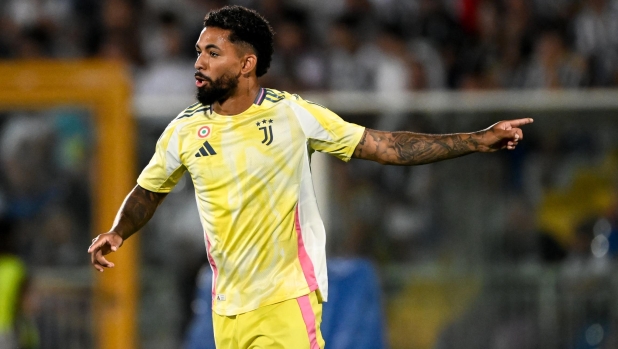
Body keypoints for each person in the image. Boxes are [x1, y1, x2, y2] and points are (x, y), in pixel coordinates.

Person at [88, 5, 533, 349]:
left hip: (286, 298)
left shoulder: (292, 115)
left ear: (246, 64)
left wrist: (475, 140)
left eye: (212, 52)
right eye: (199, 52)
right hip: (227, 309)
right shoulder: (184, 130)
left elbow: (385, 146)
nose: (199, 62)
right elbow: (150, 189)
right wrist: (118, 231)